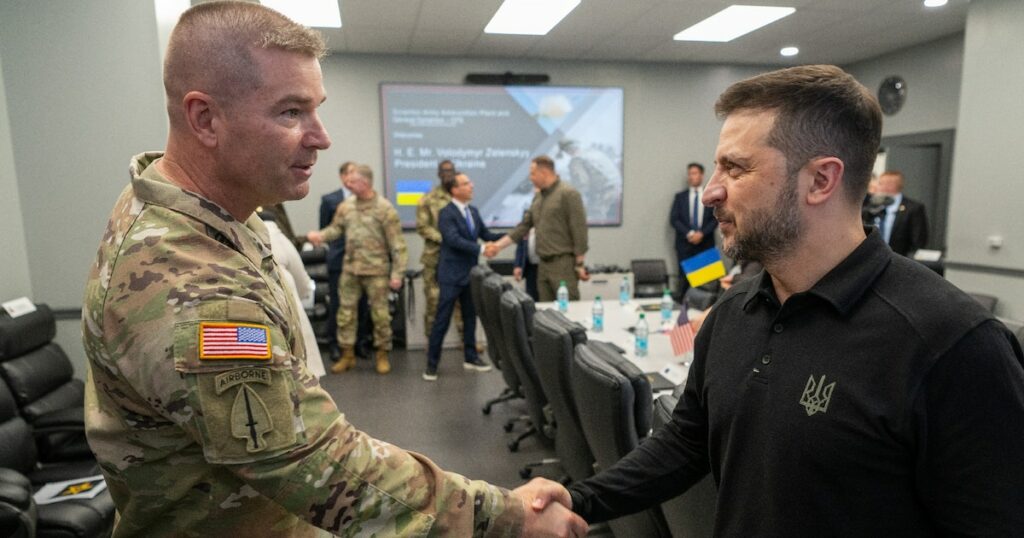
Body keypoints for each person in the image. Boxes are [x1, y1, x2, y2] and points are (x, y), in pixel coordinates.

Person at [81, 3, 585, 535]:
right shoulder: (191, 281)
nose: (321, 137)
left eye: (315, 109)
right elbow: (315, 464)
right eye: (290, 112)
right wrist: (503, 517)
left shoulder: (206, 211)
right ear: (205, 118)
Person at [541, 65, 1024, 534]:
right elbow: (687, 441)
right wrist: (581, 500)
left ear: (820, 180)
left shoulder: (952, 344)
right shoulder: (734, 312)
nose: (711, 191)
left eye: (736, 168)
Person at [308, 164, 406, 375]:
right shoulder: (346, 206)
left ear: (366, 183)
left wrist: (397, 274)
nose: (348, 184)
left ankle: (382, 354)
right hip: (350, 270)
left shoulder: (385, 209)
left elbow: (397, 245)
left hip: (377, 271)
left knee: (380, 317)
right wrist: (321, 236)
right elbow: (336, 229)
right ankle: (347, 355)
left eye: (353, 181)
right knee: (345, 315)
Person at [424, 172, 504, 381]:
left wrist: (510, 236)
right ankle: (431, 365)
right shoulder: (446, 213)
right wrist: (481, 249)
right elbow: (453, 240)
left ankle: (471, 357)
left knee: (470, 318)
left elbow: (486, 235)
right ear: (454, 190)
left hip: (470, 275)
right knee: (441, 320)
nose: (471, 185)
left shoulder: (473, 212)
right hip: (451, 275)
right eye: (466, 183)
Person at [489, 156, 589, 301]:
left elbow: (579, 230)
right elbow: (523, 227)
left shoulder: (568, 194)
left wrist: (580, 264)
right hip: (542, 266)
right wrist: (498, 246)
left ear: (544, 172)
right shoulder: (538, 198)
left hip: (563, 265)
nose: (530, 178)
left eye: (532, 173)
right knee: (546, 315)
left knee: (568, 313)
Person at [416, 159, 476, 351]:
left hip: (459, 258)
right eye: (444, 171)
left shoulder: (460, 198)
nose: (448, 174)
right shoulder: (428, 199)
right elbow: (422, 227)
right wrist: (446, 238)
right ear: (439, 174)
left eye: (451, 171)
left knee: (464, 303)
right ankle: (431, 342)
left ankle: (465, 341)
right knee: (434, 302)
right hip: (435, 257)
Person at [259, 210, 326, 378]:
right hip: (287, 301)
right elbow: (302, 279)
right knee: (303, 371)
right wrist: (304, 295)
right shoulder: (278, 236)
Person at [669, 162, 718, 296]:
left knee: (706, 285)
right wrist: (690, 234)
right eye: (690, 174)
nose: (691, 176)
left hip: (705, 244)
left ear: (701, 175)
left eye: (695, 173)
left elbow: (716, 218)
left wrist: (702, 234)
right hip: (685, 245)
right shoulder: (680, 197)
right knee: (684, 283)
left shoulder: (710, 196)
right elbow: (674, 219)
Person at [876, 169, 929, 256]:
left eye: (882, 183)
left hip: (899, 259)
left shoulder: (913, 208)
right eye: (880, 183)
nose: (880, 187)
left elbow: (918, 241)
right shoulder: (872, 207)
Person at [513, 228, 540, 301]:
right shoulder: (526, 224)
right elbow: (520, 246)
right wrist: (517, 265)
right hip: (530, 267)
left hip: (544, 266)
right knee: (531, 296)